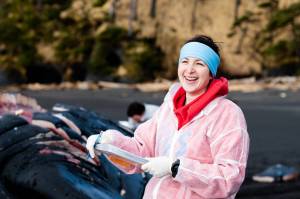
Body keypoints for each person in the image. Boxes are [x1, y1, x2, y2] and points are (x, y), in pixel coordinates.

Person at [86, 35, 250, 199]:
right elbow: (141, 151)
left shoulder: (226, 113)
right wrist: (110, 143)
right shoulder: (168, 109)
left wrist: (176, 168)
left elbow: (230, 177)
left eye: (199, 63)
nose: (190, 69)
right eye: (185, 61)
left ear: (211, 73)